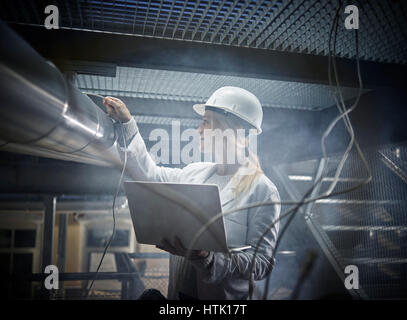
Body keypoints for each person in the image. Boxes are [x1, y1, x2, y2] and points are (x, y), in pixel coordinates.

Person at [103, 86, 280, 300]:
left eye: (206, 122)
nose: (198, 130)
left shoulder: (262, 190)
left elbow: (262, 263)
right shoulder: (195, 172)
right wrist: (127, 123)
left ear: (233, 130)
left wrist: (209, 258)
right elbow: (149, 175)